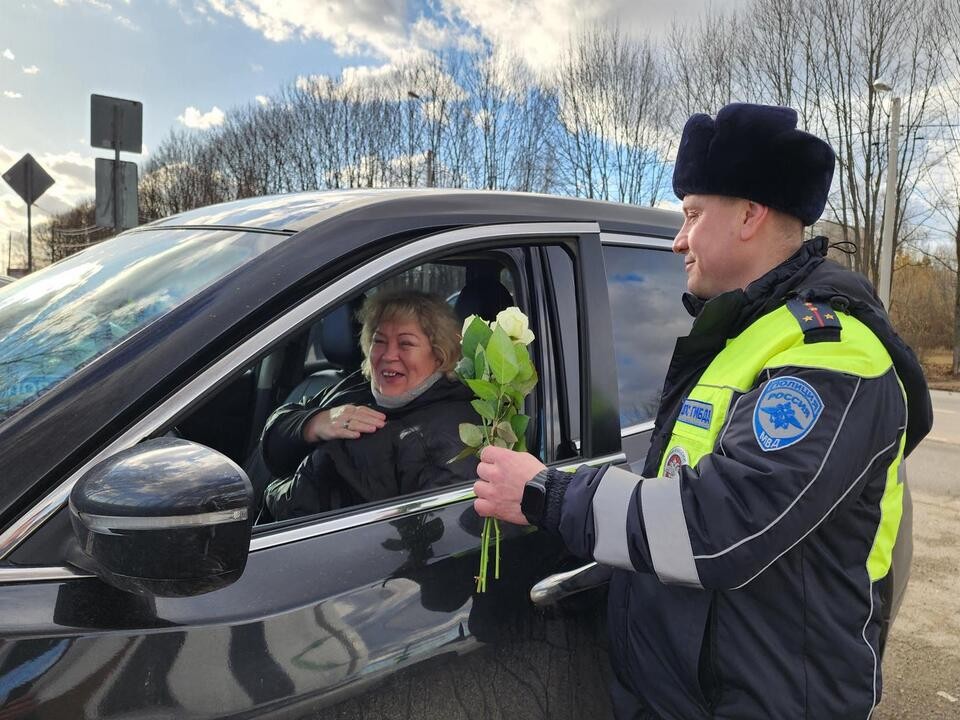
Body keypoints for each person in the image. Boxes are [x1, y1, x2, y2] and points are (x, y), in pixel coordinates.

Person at [473, 103, 933, 719]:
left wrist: (546, 495)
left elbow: (715, 527)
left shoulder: (833, 353)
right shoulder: (743, 336)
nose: (678, 239)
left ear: (750, 214)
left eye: (692, 214)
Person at [262, 289, 479, 520]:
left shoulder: (451, 433)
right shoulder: (357, 385)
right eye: (379, 341)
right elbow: (273, 448)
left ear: (439, 354)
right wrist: (314, 423)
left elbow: (428, 535)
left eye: (406, 344)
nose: (388, 355)